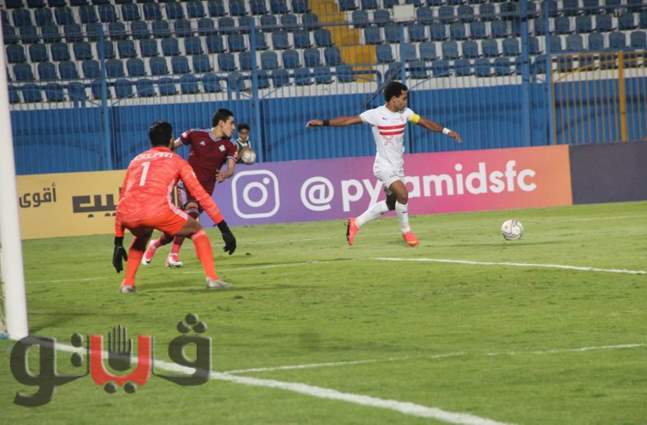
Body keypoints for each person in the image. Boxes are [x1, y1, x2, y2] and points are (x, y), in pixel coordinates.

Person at [306, 81, 462, 247]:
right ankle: (407, 232)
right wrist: (323, 122)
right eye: (404, 98)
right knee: (403, 195)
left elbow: (424, 122)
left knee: (391, 203)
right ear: (394, 99)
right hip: (383, 166)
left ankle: (356, 223)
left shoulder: (406, 113)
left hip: (398, 167)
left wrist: (447, 131)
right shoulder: (375, 114)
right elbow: (348, 120)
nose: (406, 101)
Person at [112, 121, 236, 293]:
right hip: (157, 211)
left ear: (151, 141)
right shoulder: (177, 161)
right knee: (197, 230)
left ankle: (127, 283)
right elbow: (201, 195)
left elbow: (123, 198)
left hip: (128, 216)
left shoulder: (135, 160)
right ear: (171, 140)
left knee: (142, 236)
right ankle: (212, 279)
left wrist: (118, 242)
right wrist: (224, 228)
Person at [142, 109, 238, 267]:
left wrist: (225, 174)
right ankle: (173, 256)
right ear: (221, 123)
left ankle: (155, 244)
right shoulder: (195, 134)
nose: (233, 127)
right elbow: (171, 146)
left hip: (205, 191)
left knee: (178, 227)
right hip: (186, 184)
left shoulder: (230, 145)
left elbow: (231, 169)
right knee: (191, 214)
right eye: (231, 123)